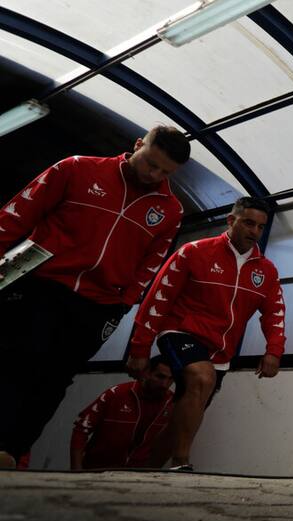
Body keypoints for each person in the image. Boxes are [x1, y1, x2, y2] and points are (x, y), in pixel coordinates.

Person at [0, 126, 189, 469]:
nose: (154, 175)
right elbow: (16, 215)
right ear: (137, 145)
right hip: (41, 281)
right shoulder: (76, 168)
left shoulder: (171, 211)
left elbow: (150, 264)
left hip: (97, 304)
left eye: (165, 172)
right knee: (20, 360)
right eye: (151, 163)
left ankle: (12, 451)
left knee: (56, 378)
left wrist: (122, 305)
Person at [125, 196, 286, 471]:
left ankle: (144, 471)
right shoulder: (194, 252)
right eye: (248, 223)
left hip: (220, 351)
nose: (255, 231)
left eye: (261, 227)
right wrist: (140, 348)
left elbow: (275, 313)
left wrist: (274, 351)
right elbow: (158, 298)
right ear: (231, 220)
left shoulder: (267, 271)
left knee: (186, 416)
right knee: (202, 376)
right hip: (180, 331)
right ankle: (182, 462)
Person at [71, 356, 174, 470]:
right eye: (160, 377)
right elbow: (81, 430)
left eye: (171, 379)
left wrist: (152, 471)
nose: (165, 384)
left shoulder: (172, 403)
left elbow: (171, 442)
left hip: (137, 473)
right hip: (97, 469)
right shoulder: (116, 394)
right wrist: (76, 471)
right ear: (147, 373)